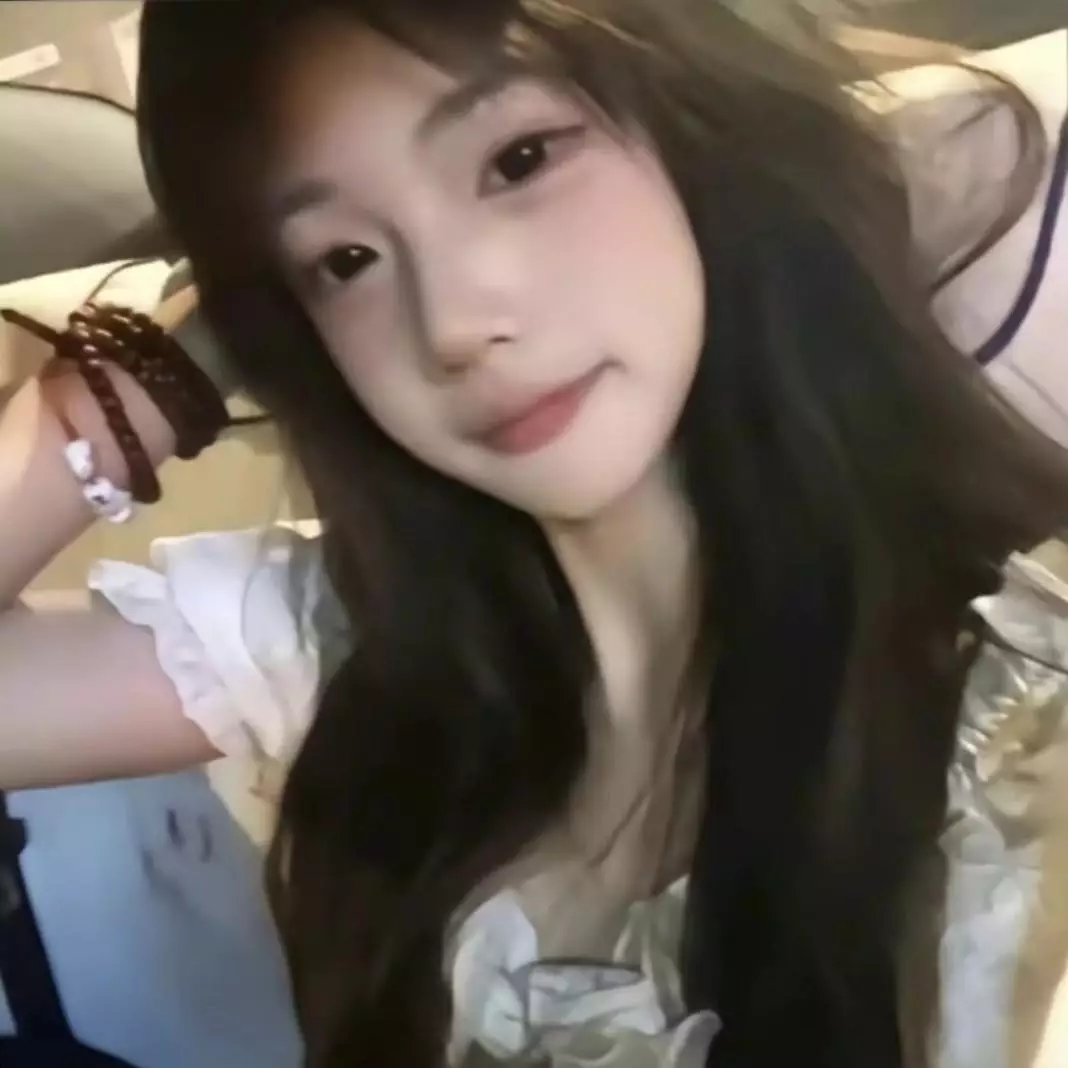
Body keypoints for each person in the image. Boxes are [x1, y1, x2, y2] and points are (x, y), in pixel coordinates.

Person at [1, 3, 1066, 1067]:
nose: (455, 326)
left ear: (694, 123)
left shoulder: (1019, 734)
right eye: (346, 260)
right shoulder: (356, 647)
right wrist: (157, 368)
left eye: (518, 160)